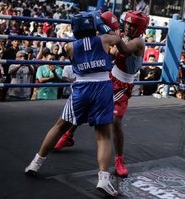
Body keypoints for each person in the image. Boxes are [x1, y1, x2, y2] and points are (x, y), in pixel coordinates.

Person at [25, 11, 129, 197]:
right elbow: (118, 39)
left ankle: (36, 163)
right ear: (93, 27)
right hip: (102, 87)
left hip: (81, 88)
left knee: (60, 125)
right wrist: (101, 24)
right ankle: (103, 179)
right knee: (103, 135)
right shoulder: (104, 39)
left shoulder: (69, 47)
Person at [54, 11, 147, 179]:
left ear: (140, 28)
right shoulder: (121, 35)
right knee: (86, 106)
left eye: (133, 25)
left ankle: (119, 160)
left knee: (116, 122)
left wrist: (104, 28)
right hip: (110, 77)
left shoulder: (138, 42)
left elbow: (123, 50)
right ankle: (68, 136)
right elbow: (112, 52)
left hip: (123, 86)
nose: (129, 27)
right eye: (128, 24)